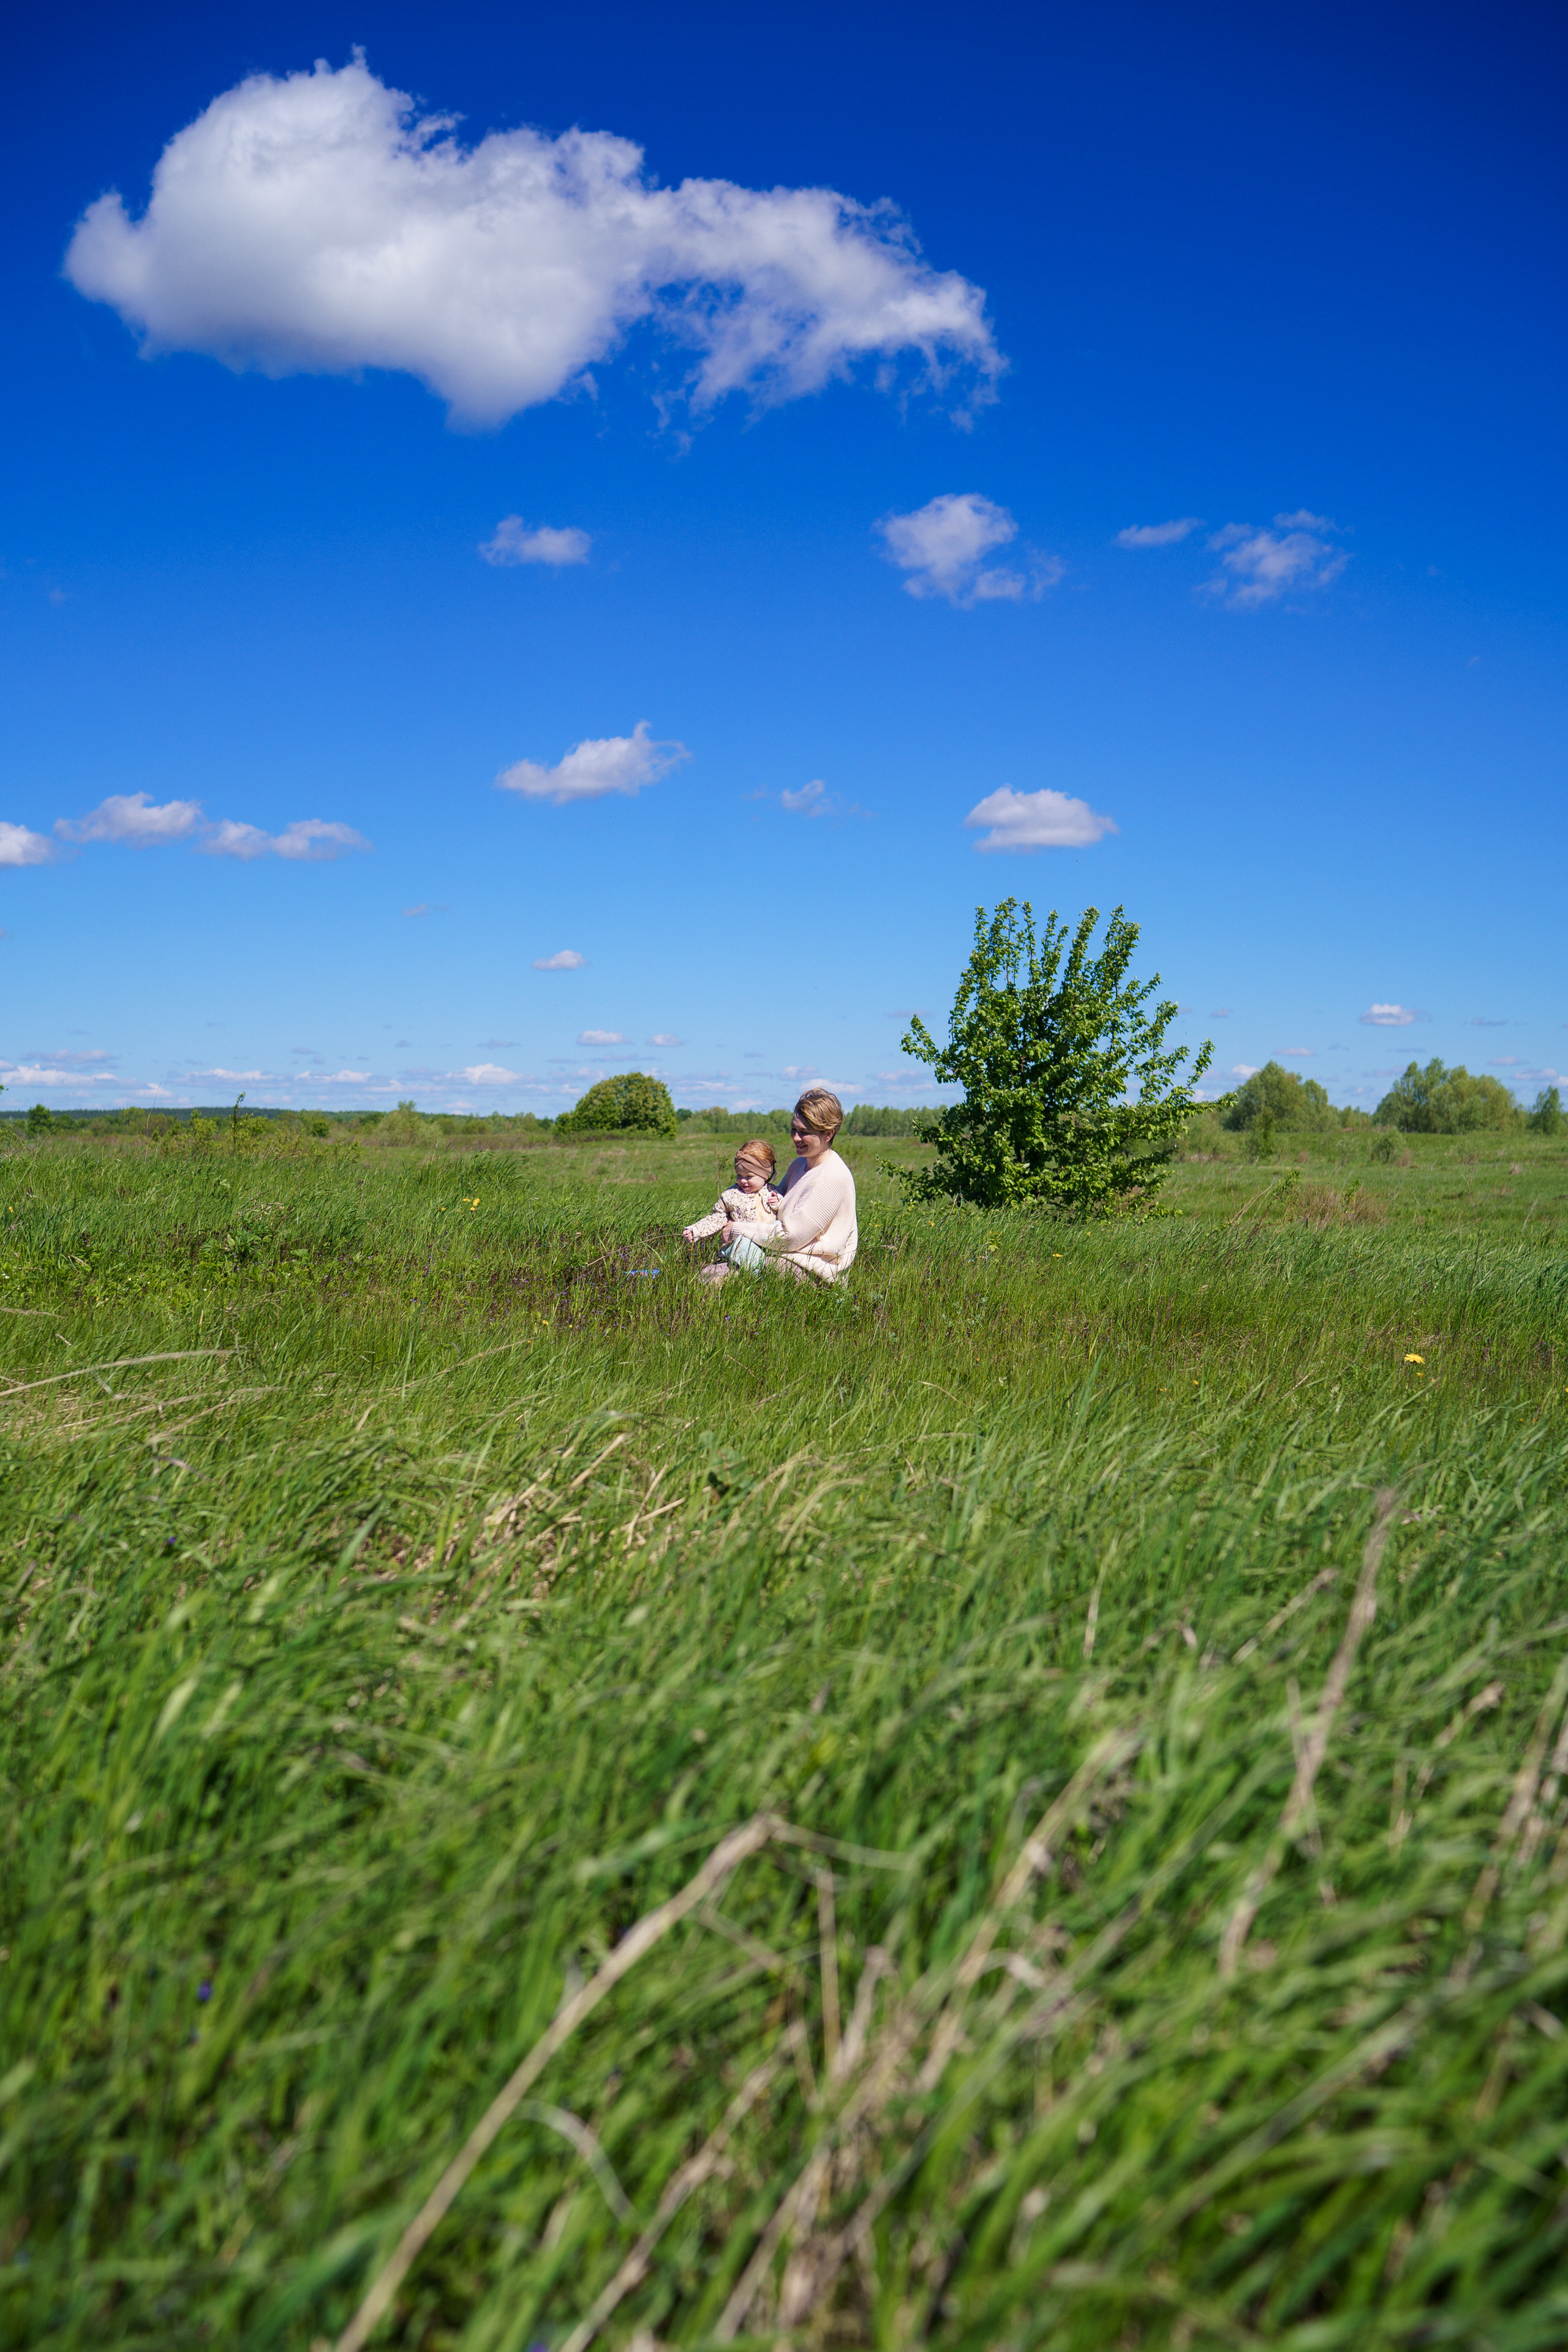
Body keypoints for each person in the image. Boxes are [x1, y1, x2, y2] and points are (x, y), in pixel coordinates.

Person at [713, 1088, 858, 1287]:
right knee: (710, 1274)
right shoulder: (799, 1165)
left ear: (828, 1134)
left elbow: (791, 1237)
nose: (796, 1137)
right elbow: (769, 1203)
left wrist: (737, 1229)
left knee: (716, 1280)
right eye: (794, 1129)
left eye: (804, 1132)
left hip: (813, 1269)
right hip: (783, 1256)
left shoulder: (832, 1176)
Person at [682, 1140, 784, 1286]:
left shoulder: (774, 1192)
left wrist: (779, 1203)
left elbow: (787, 1213)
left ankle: (761, 1272)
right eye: (739, 1175)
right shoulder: (731, 1196)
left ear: (765, 1176)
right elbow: (716, 1218)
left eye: (749, 1176)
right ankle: (754, 1279)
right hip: (739, 1244)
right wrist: (696, 1230)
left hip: (767, 1243)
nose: (743, 1181)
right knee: (746, 1245)